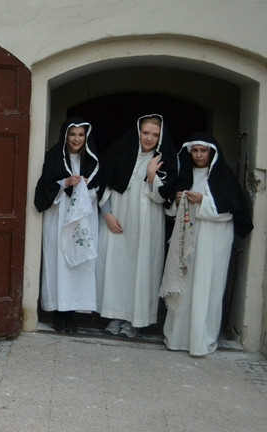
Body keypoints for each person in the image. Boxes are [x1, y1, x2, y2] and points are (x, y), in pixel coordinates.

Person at [159, 134, 252, 356]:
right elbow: (169, 209)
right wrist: (179, 200)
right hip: (188, 241)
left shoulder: (223, 177)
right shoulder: (185, 175)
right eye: (195, 151)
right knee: (185, 285)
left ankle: (200, 340)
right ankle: (177, 337)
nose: (199, 155)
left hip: (213, 240)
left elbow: (229, 211)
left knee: (207, 286)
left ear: (211, 153)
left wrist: (203, 201)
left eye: (203, 151)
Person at [97, 114, 176, 338]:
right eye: (146, 132)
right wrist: (108, 215)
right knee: (117, 267)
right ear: (138, 132)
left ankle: (136, 320)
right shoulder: (119, 153)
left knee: (142, 268)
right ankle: (115, 315)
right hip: (118, 220)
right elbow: (105, 185)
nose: (149, 138)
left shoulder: (165, 160)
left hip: (146, 223)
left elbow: (164, 198)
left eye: (155, 134)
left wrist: (152, 175)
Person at [34, 118, 101, 333]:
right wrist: (65, 183)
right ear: (66, 136)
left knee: (79, 266)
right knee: (59, 262)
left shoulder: (92, 160)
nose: (76, 139)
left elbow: (101, 188)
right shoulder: (54, 156)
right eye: (73, 135)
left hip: (82, 218)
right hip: (60, 215)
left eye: (81, 135)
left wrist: (88, 188)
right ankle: (58, 315)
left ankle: (72, 316)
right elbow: (44, 188)